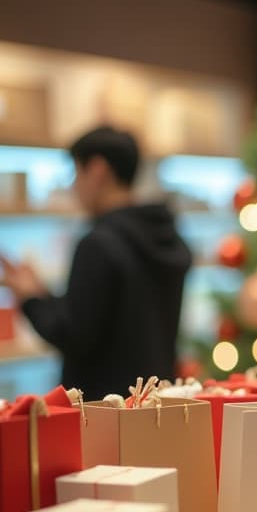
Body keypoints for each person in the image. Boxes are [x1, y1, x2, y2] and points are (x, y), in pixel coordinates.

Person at [0, 126, 192, 400]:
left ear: (98, 170)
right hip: (156, 400)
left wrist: (30, 299)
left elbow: (75, 335)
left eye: (76, 173)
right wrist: (41, 294)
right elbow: (105, 318)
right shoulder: (165, 234)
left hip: (104, 410)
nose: (73, 185)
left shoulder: (99, 243)